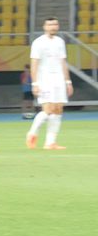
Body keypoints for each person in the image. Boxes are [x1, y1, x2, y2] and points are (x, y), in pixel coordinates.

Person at [25, 17, 72, 150]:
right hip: (45, 79)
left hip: (59, 79)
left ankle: (50, 142)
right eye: (50, 24)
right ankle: (32, 133)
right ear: (44, 27)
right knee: (48, 109)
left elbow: (63, 62)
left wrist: (68, 81)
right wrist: (34, 83)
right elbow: (34, 63)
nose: (53, 27)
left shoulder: (60, 42)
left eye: (55, 24)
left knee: (58, 110)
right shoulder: (38, 43)